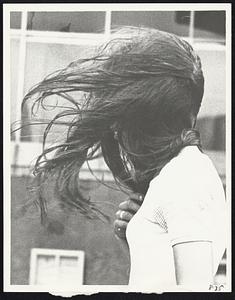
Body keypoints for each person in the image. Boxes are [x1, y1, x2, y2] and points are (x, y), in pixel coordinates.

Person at [20, 27, 227, 291]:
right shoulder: (183, 172)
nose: (117, 134)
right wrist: (139, 236)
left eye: (122, 121)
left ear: (144, 119)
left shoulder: (183, 179)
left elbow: (196, 290)